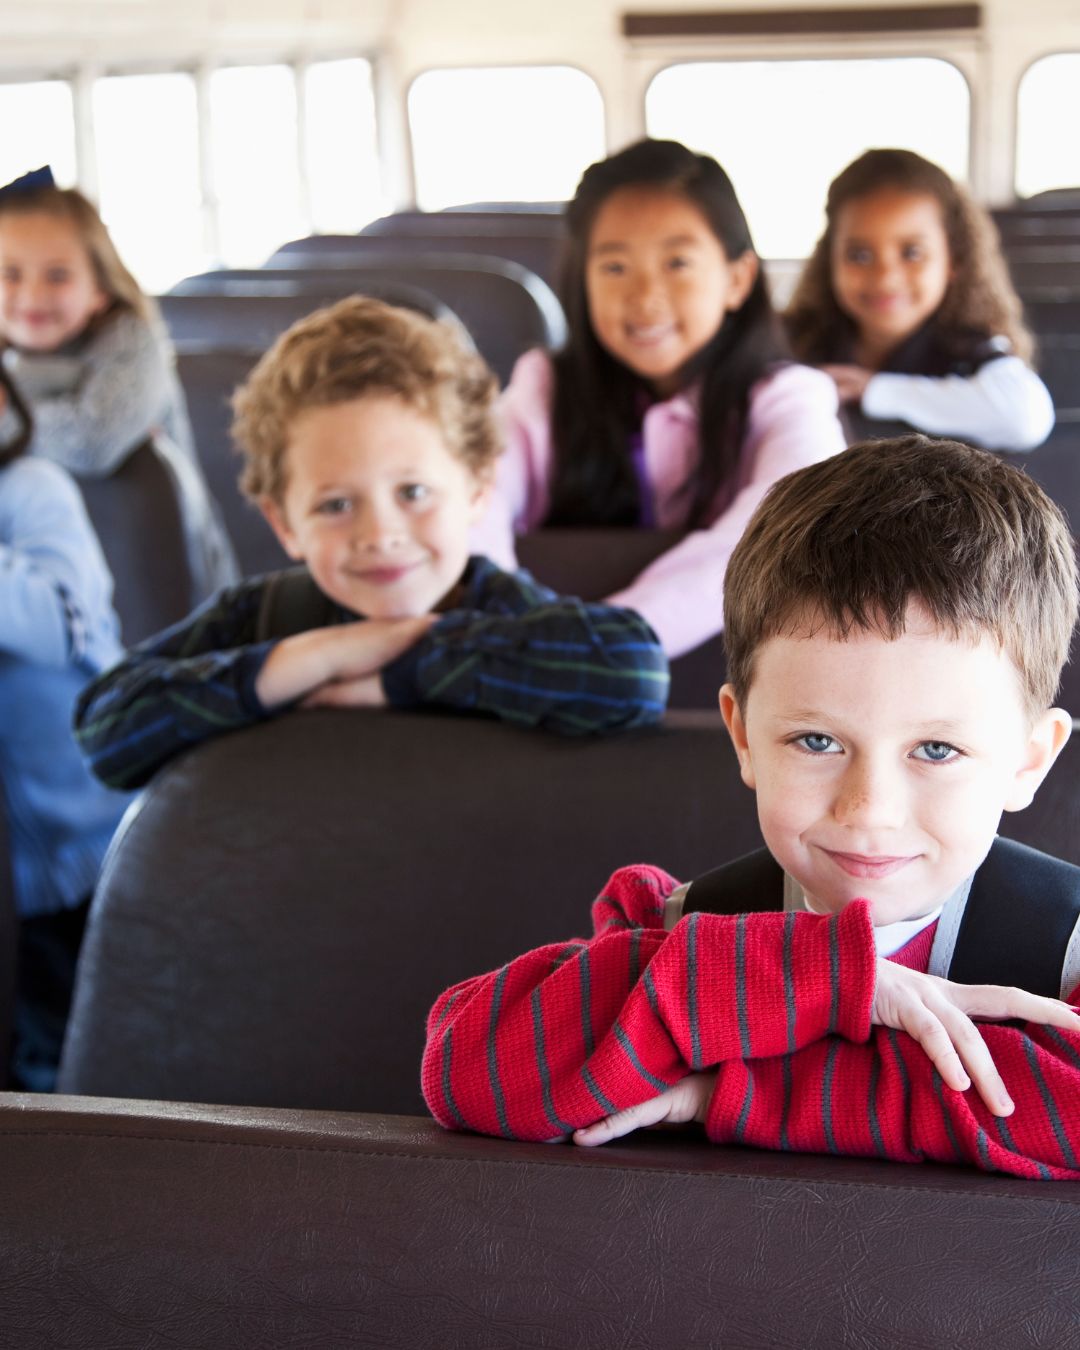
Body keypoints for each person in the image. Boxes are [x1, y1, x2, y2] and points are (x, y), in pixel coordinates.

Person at [423, 435, 1080, 1181]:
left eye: (935, 749)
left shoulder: (1068, 951)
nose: (869, 810)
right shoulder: (675, 931)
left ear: (1028, 761)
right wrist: (820, 977)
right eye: (816, 741)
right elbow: (467, 1076)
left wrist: (727, 1094)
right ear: (744, 737)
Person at [74, 296, 670, 790]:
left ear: (477, 490)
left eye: (413, 492)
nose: (380, 535)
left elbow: (634, 672)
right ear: (284, 523)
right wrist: (318, 658)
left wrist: (406, 664)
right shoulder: (261, 618)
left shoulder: (508, 617)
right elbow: (106, 728)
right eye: (335, 505)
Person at [471, 138, 845, 659]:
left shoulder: (788, 398)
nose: (645, 297)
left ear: (737, 280)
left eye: (677, 263)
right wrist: (500, 621)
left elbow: (783, 529)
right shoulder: (544, 387)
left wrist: (583, 649)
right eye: (615, 267)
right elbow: (474, 502)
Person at [0, 165, 235, 592]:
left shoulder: (131, 343)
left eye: (58, 276)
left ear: (100, 289)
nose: (32, 296)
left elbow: (92, 442)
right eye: (10, 275)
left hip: (163, 564)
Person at [0, 362, 132, 1090]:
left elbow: (58, 625)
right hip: (16, 875)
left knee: (69, 1049)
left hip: (81, 835)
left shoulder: (30, 488)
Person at [785, 148, 1054, 453]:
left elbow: (1027, 418)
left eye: (912, 253)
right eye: (859, 255)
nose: (885, 278)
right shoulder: (797, 344)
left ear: (954, 260)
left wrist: (873, 389)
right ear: (830, 261)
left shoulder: (969, 352)